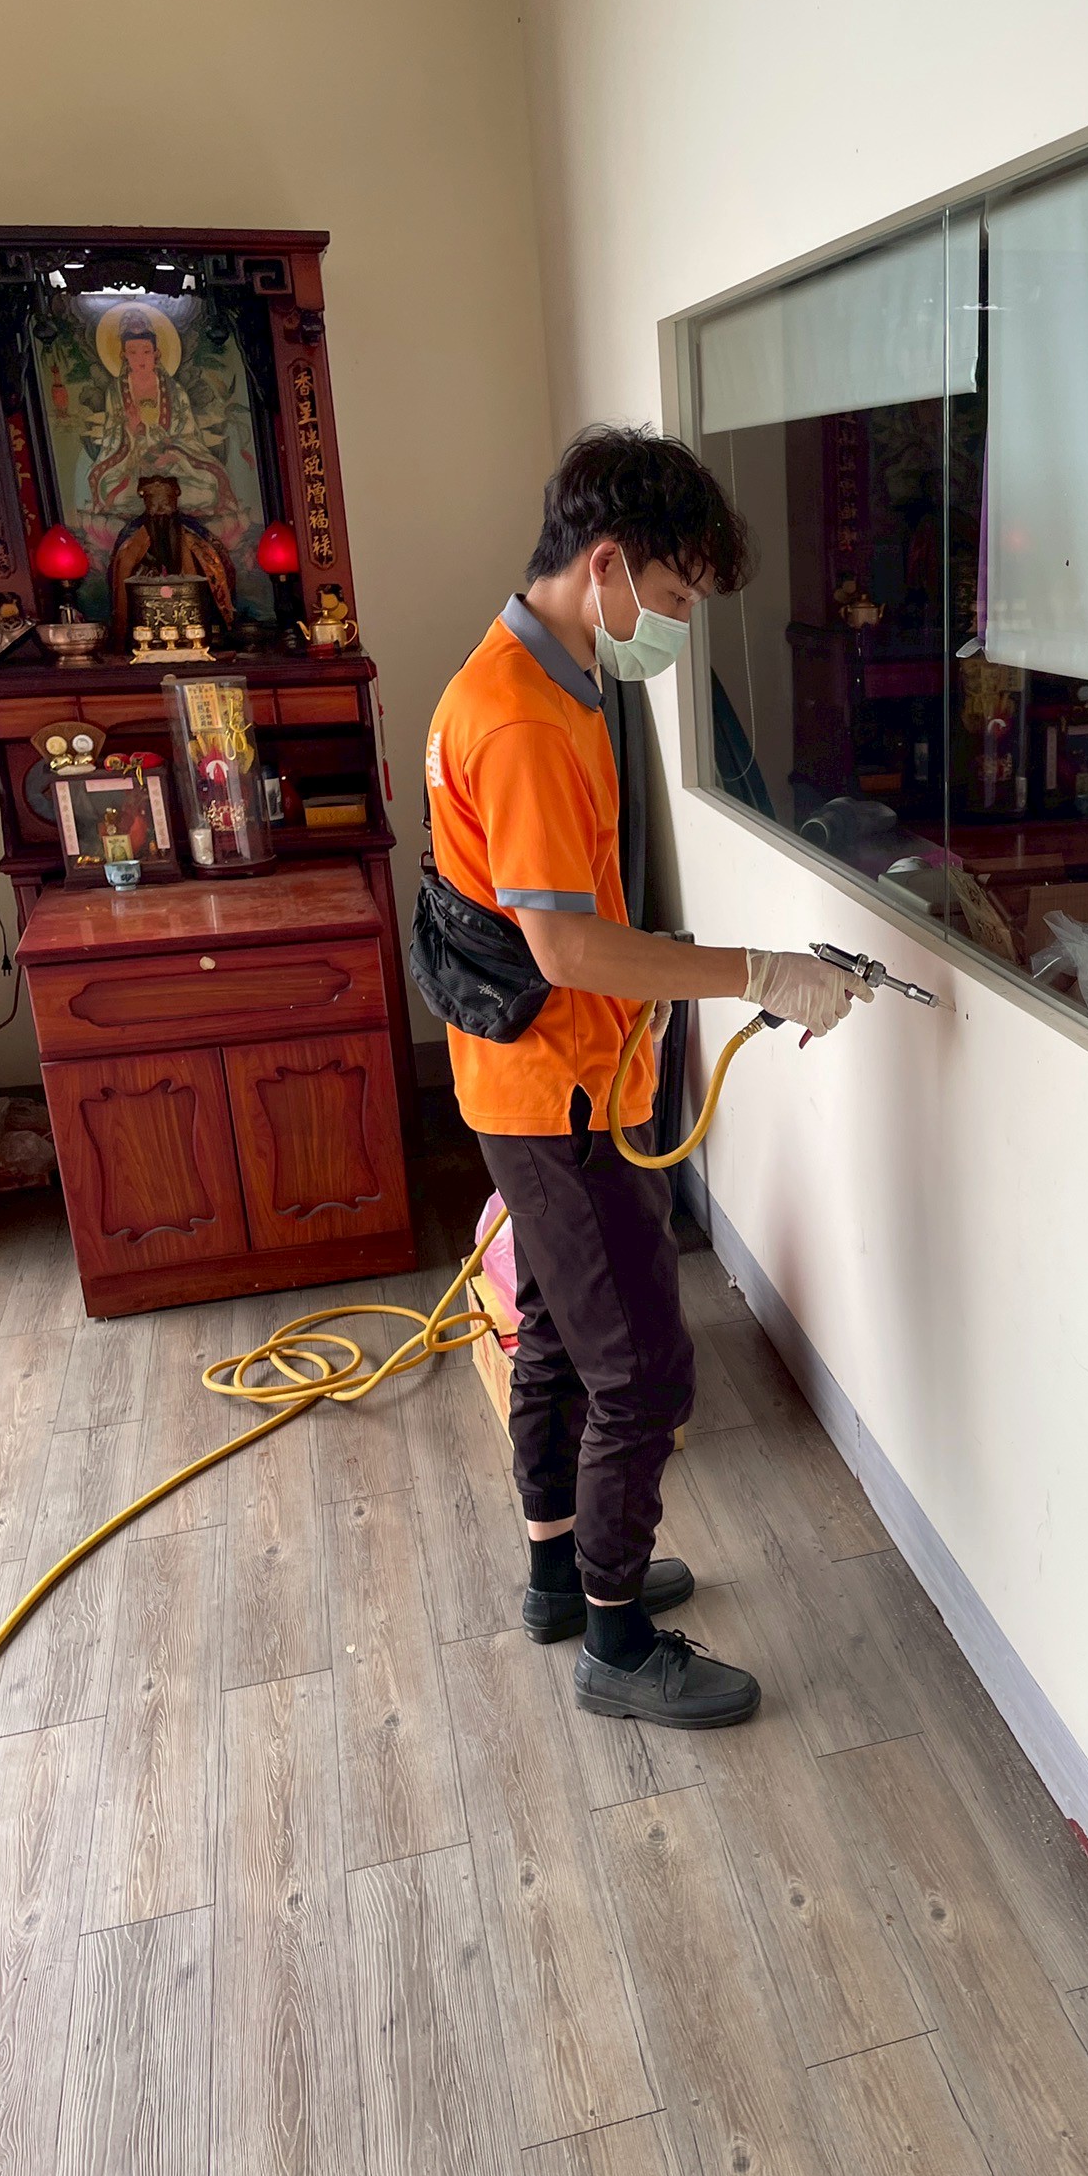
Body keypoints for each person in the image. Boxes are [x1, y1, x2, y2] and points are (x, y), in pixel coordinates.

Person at [425, 424, 870, 1730]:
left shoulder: (543, 672)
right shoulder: (521, 717)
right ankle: (617, 1642)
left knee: (560, 1335)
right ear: (607, 565)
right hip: (558, 1096)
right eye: (671, 596)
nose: (673, 627)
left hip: (542, 1079)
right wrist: (759, 971)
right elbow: (566, 950)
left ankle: (560, 1575)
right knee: (644, 1371)